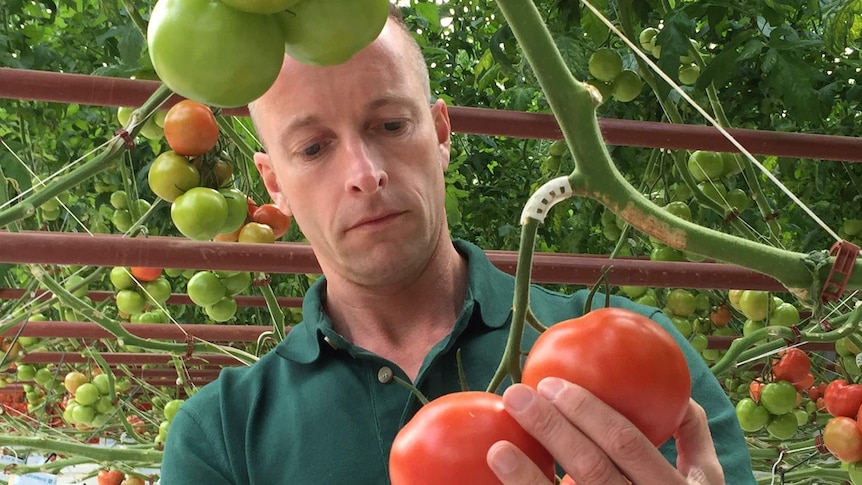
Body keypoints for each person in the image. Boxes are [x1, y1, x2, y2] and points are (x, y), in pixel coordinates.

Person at [160, 6, 754, 485]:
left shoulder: (633, 349)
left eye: (390, 125)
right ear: (273, 184)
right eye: (313, 148)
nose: (365, 172)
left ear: (441, 134)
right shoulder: (221, 436)